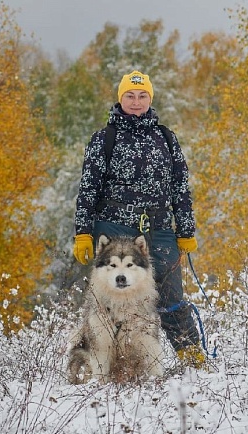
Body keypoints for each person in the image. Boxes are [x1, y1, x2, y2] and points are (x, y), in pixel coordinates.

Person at [72, 70, 205, 368]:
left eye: (142, 95)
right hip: (114, 227)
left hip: (159, 229)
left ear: (150, 99)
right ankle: (104, 363)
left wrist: (185, 230)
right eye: (130, 96)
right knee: (109, 301)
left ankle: (193, 360)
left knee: (171, 297)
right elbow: (88, 189)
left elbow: (180, 188)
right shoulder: (104, 139)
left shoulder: (166, 138)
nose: (136, 101)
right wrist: (83, 232)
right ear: (121, 98)